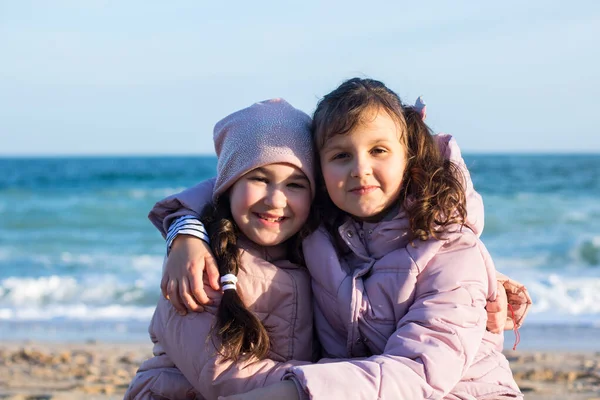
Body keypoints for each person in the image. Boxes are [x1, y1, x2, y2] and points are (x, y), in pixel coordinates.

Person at [147, 78, 530, 399]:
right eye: (340, 156)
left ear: (409, 156)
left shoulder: (449, 251)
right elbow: (236, 182)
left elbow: (419, 370)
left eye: (379, 150)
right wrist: (185, 230)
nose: (361, 169)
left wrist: (485, 279)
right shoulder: (315, 236)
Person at [125, 98, 320, 399]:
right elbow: (221, 375)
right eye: (259, 178)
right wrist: (328, 381)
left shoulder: (313, 254)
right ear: (229, 184)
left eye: (295, 185)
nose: (276, 200)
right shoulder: (199, 266)